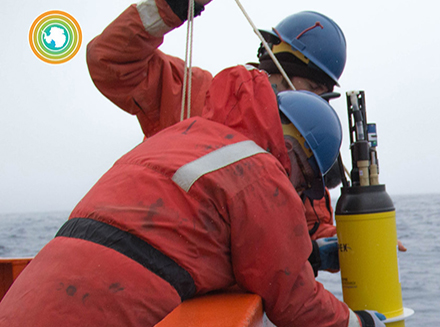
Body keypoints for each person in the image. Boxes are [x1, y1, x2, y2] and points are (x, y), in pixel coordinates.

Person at [0, 66, 384, 326]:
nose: (296, 193)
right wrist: (359, 322)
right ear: (294, 149)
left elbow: (191, 240)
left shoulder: (185, 135)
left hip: (27, 299)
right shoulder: (262, 170)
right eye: (303, 183)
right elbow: (292, 299)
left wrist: (313, 255)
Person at [85, 0, 349, 273]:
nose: (317, 103)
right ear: (278, 68)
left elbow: (303, 226)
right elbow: (109, 60)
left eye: (322, 96)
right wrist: (171, 6)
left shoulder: (301, 148)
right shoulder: (198, 97)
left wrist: (352, 241)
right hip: (152, 274)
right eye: (312, 88)